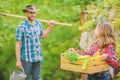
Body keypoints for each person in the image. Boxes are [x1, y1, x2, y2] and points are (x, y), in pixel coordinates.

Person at [15, 4, 55, 80]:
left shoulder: (38, 24)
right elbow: (17, 44)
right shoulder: (21, 27)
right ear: (26, 13)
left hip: (37, 57)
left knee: (37, 78)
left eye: (34, 13)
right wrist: (18, 60)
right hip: (26, 58)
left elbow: (42, 36)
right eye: (30, 13)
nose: (33, 15)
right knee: (25, 78)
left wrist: (50, 27)